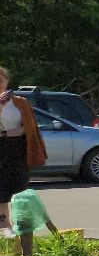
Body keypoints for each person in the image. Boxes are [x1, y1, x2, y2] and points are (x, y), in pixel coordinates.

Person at [0, 67, 47, 235]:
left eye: (1, 79)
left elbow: (30, 127)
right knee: (2, 188)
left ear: (7, 81)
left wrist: (18, 132)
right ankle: (5, 226)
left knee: (20, 186)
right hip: (1, 147)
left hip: (19, 147)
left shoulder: (19, 101)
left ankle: (23, 226)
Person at [6, 188, 57, 256]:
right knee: (27, 251)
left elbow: (14, 218)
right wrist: (61, 239)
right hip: (25, 215)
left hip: (19, 210)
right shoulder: (32, 200)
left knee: (25, 247)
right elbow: (48, 223)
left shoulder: (16, 198)